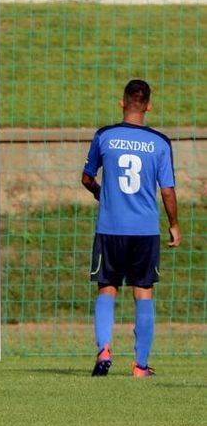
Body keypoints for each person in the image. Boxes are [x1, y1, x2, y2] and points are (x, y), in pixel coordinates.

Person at [81, 79, 179, 378]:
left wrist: (101, 192)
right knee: (143, 292)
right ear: (148, 105)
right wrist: (174, 224)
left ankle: (104, 349)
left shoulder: (105, 136)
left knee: (107, 288)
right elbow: (167, 191)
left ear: (122, 102)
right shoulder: (160, 143)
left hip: (110, 228)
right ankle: (140, 365)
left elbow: (86, 178)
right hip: (145, 230)